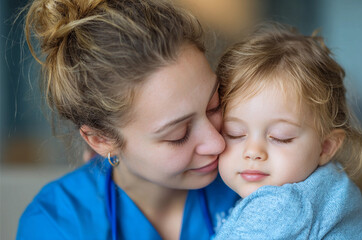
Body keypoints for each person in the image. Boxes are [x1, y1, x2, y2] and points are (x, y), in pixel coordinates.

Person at [17, 0, 239, 239]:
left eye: (214, 105)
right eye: (179, 134)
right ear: (101, 140)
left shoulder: (254, 178)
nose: (218, 143)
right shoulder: (55, 226)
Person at [213, 23, 362, 239]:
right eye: (234, 133)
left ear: (326, 146)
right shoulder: (332, 188)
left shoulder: (282, 204)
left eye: (280, 137)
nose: (253, 151)